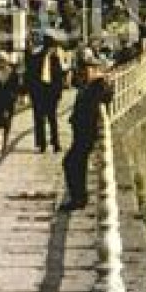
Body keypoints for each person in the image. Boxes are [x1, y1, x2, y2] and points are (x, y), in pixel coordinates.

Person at [59, 51, 115, 211]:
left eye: (89, 69)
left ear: (96, 70)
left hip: (87, 132)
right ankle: (79, 197)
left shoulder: (98, 85)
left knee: (71, 163)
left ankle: (79, 198)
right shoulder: (87, 85)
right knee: (75, 163)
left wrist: (105, 81)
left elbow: (107, 94)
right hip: (82, 130)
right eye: (83, 69)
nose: (84, 72)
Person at [23, 37, 67, 153]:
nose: (55, 50)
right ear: (49, 47)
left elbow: (59, 79)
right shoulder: (36, 59)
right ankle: (41, 144)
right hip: (39, 93)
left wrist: (58, 94)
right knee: (39, 120)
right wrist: (31, 93)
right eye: (53, 47)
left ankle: (55, 143)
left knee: (52, 119)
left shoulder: (56, 60)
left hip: (51, 93)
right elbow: (30, 76)